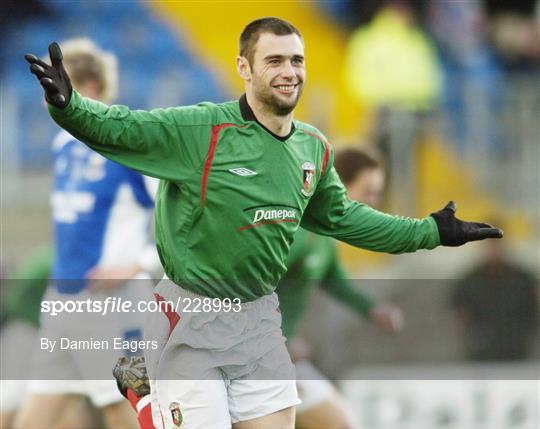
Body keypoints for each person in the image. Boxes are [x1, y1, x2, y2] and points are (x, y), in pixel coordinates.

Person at [25, 17, 502, 429]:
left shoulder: (312, 147)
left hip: (259, 323)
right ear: (244, 68)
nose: (289, 71)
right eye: (274, 60)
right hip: (192, 317)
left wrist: (432, 232)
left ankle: (149, 399)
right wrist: (69, 107)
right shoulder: (201, 130)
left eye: (296, 60)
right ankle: (147, 399)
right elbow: (122, 127)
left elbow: (345, 218)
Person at [16, 38, 161, 429]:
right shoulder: (63, 143)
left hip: (112, 305)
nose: (48, 95)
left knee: (124, 410)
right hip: (63, 302)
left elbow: (184, 218)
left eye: (56, 84)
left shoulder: (125, 143)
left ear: (89, 87)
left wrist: (138, 265)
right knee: (33, 418)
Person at [279, 147, 402, 429]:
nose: (374, 201)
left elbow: (332, 279)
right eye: (368, 191)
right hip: (256, 359)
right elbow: (251, 284)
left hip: (276, 358)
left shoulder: (322, 233)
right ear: (341, 185)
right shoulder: (300, 230)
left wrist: (372, 310)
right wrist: (278, 342)